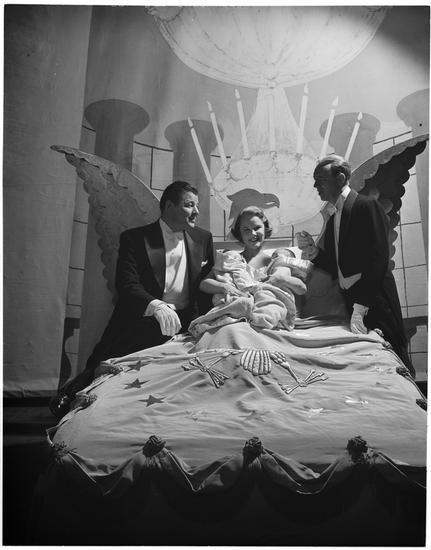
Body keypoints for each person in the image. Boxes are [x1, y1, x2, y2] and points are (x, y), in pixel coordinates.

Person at [50, 180, 214, 417]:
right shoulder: (136, 238)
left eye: (196, 205)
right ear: (169, 206)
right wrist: (156, 306)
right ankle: (75, 392)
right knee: (109, 357)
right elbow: (127, 284)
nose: (197, 211)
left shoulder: (203, 238)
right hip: (142, 316)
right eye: (189, 205)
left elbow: (205, 284)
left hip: (185, 321)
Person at [296, 154, 414, 376]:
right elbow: (336, 266)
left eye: (320, 180)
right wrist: (313, 250)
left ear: (340, 178)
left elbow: (378, 258)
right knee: (372, 366)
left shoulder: (367, 205)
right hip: (351, 303)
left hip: (376, 300)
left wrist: (361, 307)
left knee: (395, 358)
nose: (315, 186)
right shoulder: (333, 218)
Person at [188, 207, 308, 337]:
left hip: (268, 322)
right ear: (239, 233)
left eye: (257, 228)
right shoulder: (232, 260)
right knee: (231, 332)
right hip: (238, 318)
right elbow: (204, 284)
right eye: (246, 230)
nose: (253, 233)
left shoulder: (276, 261)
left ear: (265, 228)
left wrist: (282, 279)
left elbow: (302, 289)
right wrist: (226, 287)